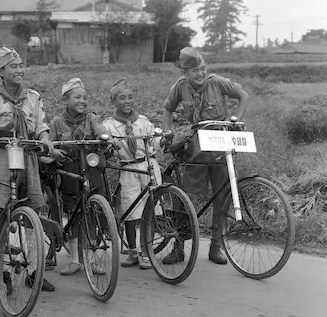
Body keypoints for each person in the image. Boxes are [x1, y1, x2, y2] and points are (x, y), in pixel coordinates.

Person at [0, 47, 57, 292]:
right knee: (3, 209)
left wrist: (45, 138)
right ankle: (2, 271)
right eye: (13, 66)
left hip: (28, 157)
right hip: (3, 157)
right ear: (1, 71)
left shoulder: (33, 97)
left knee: (35, 210)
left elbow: (41, 124)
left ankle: (34, 271)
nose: (19, 70)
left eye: (21, 65)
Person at [162, 47, 250, 264]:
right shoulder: (180, 87)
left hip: (221, 143)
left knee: (222, 196)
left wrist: (236, 119)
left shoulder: (217, 82)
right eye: (194, 71)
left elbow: (243, 95)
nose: (200, 73)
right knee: (189, 196)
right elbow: (168, 108)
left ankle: (216, 245)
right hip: (198, 144)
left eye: (202, 68)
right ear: (185, 73)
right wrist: (168, 131)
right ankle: (179, 245)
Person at [48, 78, 108, 275]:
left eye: (85, 97)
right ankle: (75, 260)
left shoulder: (91, 118)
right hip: (70, 170)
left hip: (91, 167)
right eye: (77, 97)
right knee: (73, 211)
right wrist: (53, 153)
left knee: (93, 211)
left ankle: (91, 259)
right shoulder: (57, 122)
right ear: (67, 99)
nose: (82, 101)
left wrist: (106, 139)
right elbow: (50, 145)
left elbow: (101, 131)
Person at [104, 77, 165, 270]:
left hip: (148, 166)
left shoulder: (143, 122)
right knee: (130, 210)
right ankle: (132, 251)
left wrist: (163, 140)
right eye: (122, 98)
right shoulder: (109, 125)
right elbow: (107, 146)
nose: (127, 101)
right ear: (114, 101)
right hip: (128, 168)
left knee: (151, 209)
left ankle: (146, 252)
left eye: (130, 97)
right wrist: (109, 146)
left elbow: (155, 142)